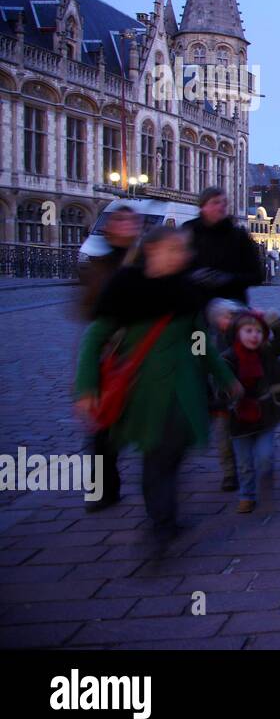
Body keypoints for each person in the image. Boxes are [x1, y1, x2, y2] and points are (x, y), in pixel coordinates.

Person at [74, 227, 241, 544]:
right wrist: (86, 386)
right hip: (144, 390)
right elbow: (95, 337)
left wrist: (225, 378)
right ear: (152, 250)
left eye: (183, 250)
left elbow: (199, 343)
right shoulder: (126, 287)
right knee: (158, 455)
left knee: (172, 453)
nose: (183, 255)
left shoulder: (186, 290)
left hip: (183, 388)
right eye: (174, 249)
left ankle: (163, 517)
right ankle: (162, 522)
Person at [76, 205, 143, 512]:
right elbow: (86, 311)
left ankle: (159, 489)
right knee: (104, 427)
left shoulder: (147, 261)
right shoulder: (100, 264)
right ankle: (103, 489)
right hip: (112, 351)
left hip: (144, 350)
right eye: (121, 221)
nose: (127, 227)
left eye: (132, 222)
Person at [221, 309, 280, 513]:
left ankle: (266, 476)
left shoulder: (265, 353)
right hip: (239, 417)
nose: (254, 335)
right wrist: (228, 391)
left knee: (265, 456)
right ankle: (247, 495)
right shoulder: (228, 357)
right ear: (237, 333)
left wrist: (272, 318)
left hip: (264, 415)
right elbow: (218, 385)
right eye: (248, 331)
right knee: (244, 463)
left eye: (259, 331)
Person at [183, 187, 263, 304]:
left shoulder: (239, 236)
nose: (221, 206)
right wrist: (194, 276)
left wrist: (229, 279)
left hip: (230, 303)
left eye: (224, 203)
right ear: (203, 206)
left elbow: (257, 275)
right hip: (196, 303)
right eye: (215, 202)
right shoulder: (188, 231)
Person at [206, 297, 247, 491]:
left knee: (244, 433)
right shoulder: (209, 340)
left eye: (234, 316)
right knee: (223, 437)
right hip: (219, 398)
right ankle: (229, 473)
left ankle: (248, 468)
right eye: (227, 316)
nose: (231, 320)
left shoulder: (245, 334)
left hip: (244, 396)